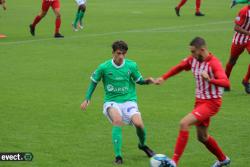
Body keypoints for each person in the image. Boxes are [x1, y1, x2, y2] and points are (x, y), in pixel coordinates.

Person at [155, 37, 231, 167]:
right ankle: (223, 159)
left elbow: (226, 82)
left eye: (193, 52)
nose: (191, 55)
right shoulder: (193, 60)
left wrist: (210, 80)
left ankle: (174, 162)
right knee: (202, 137)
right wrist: (163, 78)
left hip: (211, 103)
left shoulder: (214, 63)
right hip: (199, 102)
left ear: (202, 50)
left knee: (184, 123)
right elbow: (179, 67)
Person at [80, 40, 155, 164]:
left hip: (129, 101)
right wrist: (87, 98)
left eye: (123, 54)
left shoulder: (131, 65)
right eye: (118, 53)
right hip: (111, 101)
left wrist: (148, 81)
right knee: (117, 120)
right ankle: (118, 156)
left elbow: (139, 80)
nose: (121, 57)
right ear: (113, 53)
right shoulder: (104, 67)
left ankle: (142, 145)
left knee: (139, 124)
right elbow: (94, 81)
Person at [225, 3, 250, 93]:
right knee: (232, 61)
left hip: (249, 40)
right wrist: (248, 33)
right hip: (239, 40)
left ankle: (246, 81)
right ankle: (225, 82)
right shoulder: (244, 11)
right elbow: (236, 27)